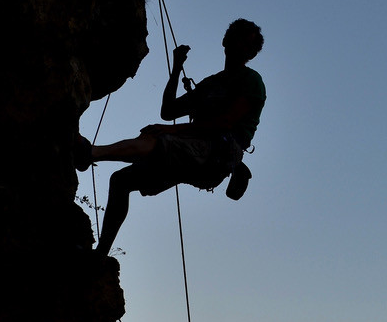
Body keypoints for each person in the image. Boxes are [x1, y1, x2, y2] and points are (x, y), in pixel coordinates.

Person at [78, 18, 266, 258]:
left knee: (158, 138)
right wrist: (176, 68)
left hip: (220, 151)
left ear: (252, 53)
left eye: (247, 45)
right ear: (226, 41)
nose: (240, 47)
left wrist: (173, 131)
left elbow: (226, 122)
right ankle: (100, 254)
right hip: (197, 151)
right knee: (121, 181)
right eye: (238, 39)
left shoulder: (251, 81)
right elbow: (168, 111)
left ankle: (91, 152)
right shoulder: (211, 84)